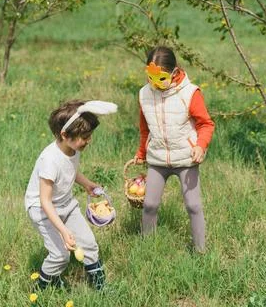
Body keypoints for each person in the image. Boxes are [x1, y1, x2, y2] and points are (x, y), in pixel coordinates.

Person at [25, 99, 117, 290]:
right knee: (60, 255)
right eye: (84, 137)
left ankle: (99, 286)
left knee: (90, 244)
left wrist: (87, 184)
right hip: (43, 211)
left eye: (89, 135)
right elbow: (45, 200)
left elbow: (70, 171)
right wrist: (64, 231)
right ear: (65, 135)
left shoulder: (72, 149)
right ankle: (42, 289)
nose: (88, 141)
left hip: (66, 204)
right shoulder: (50, 160)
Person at [134, 46, 215, 253]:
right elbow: (145, 128)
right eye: (150, 77)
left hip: (185, 159)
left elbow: (206, 124)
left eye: (160, 78)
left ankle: (200, 251)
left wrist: (200, 145)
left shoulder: (189, 93)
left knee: (193, 206)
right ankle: (148, 249)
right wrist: (142, 153)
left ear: (174, 72)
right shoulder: (144, 94)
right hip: (157, 159)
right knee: (149, 205)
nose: (155, 84)